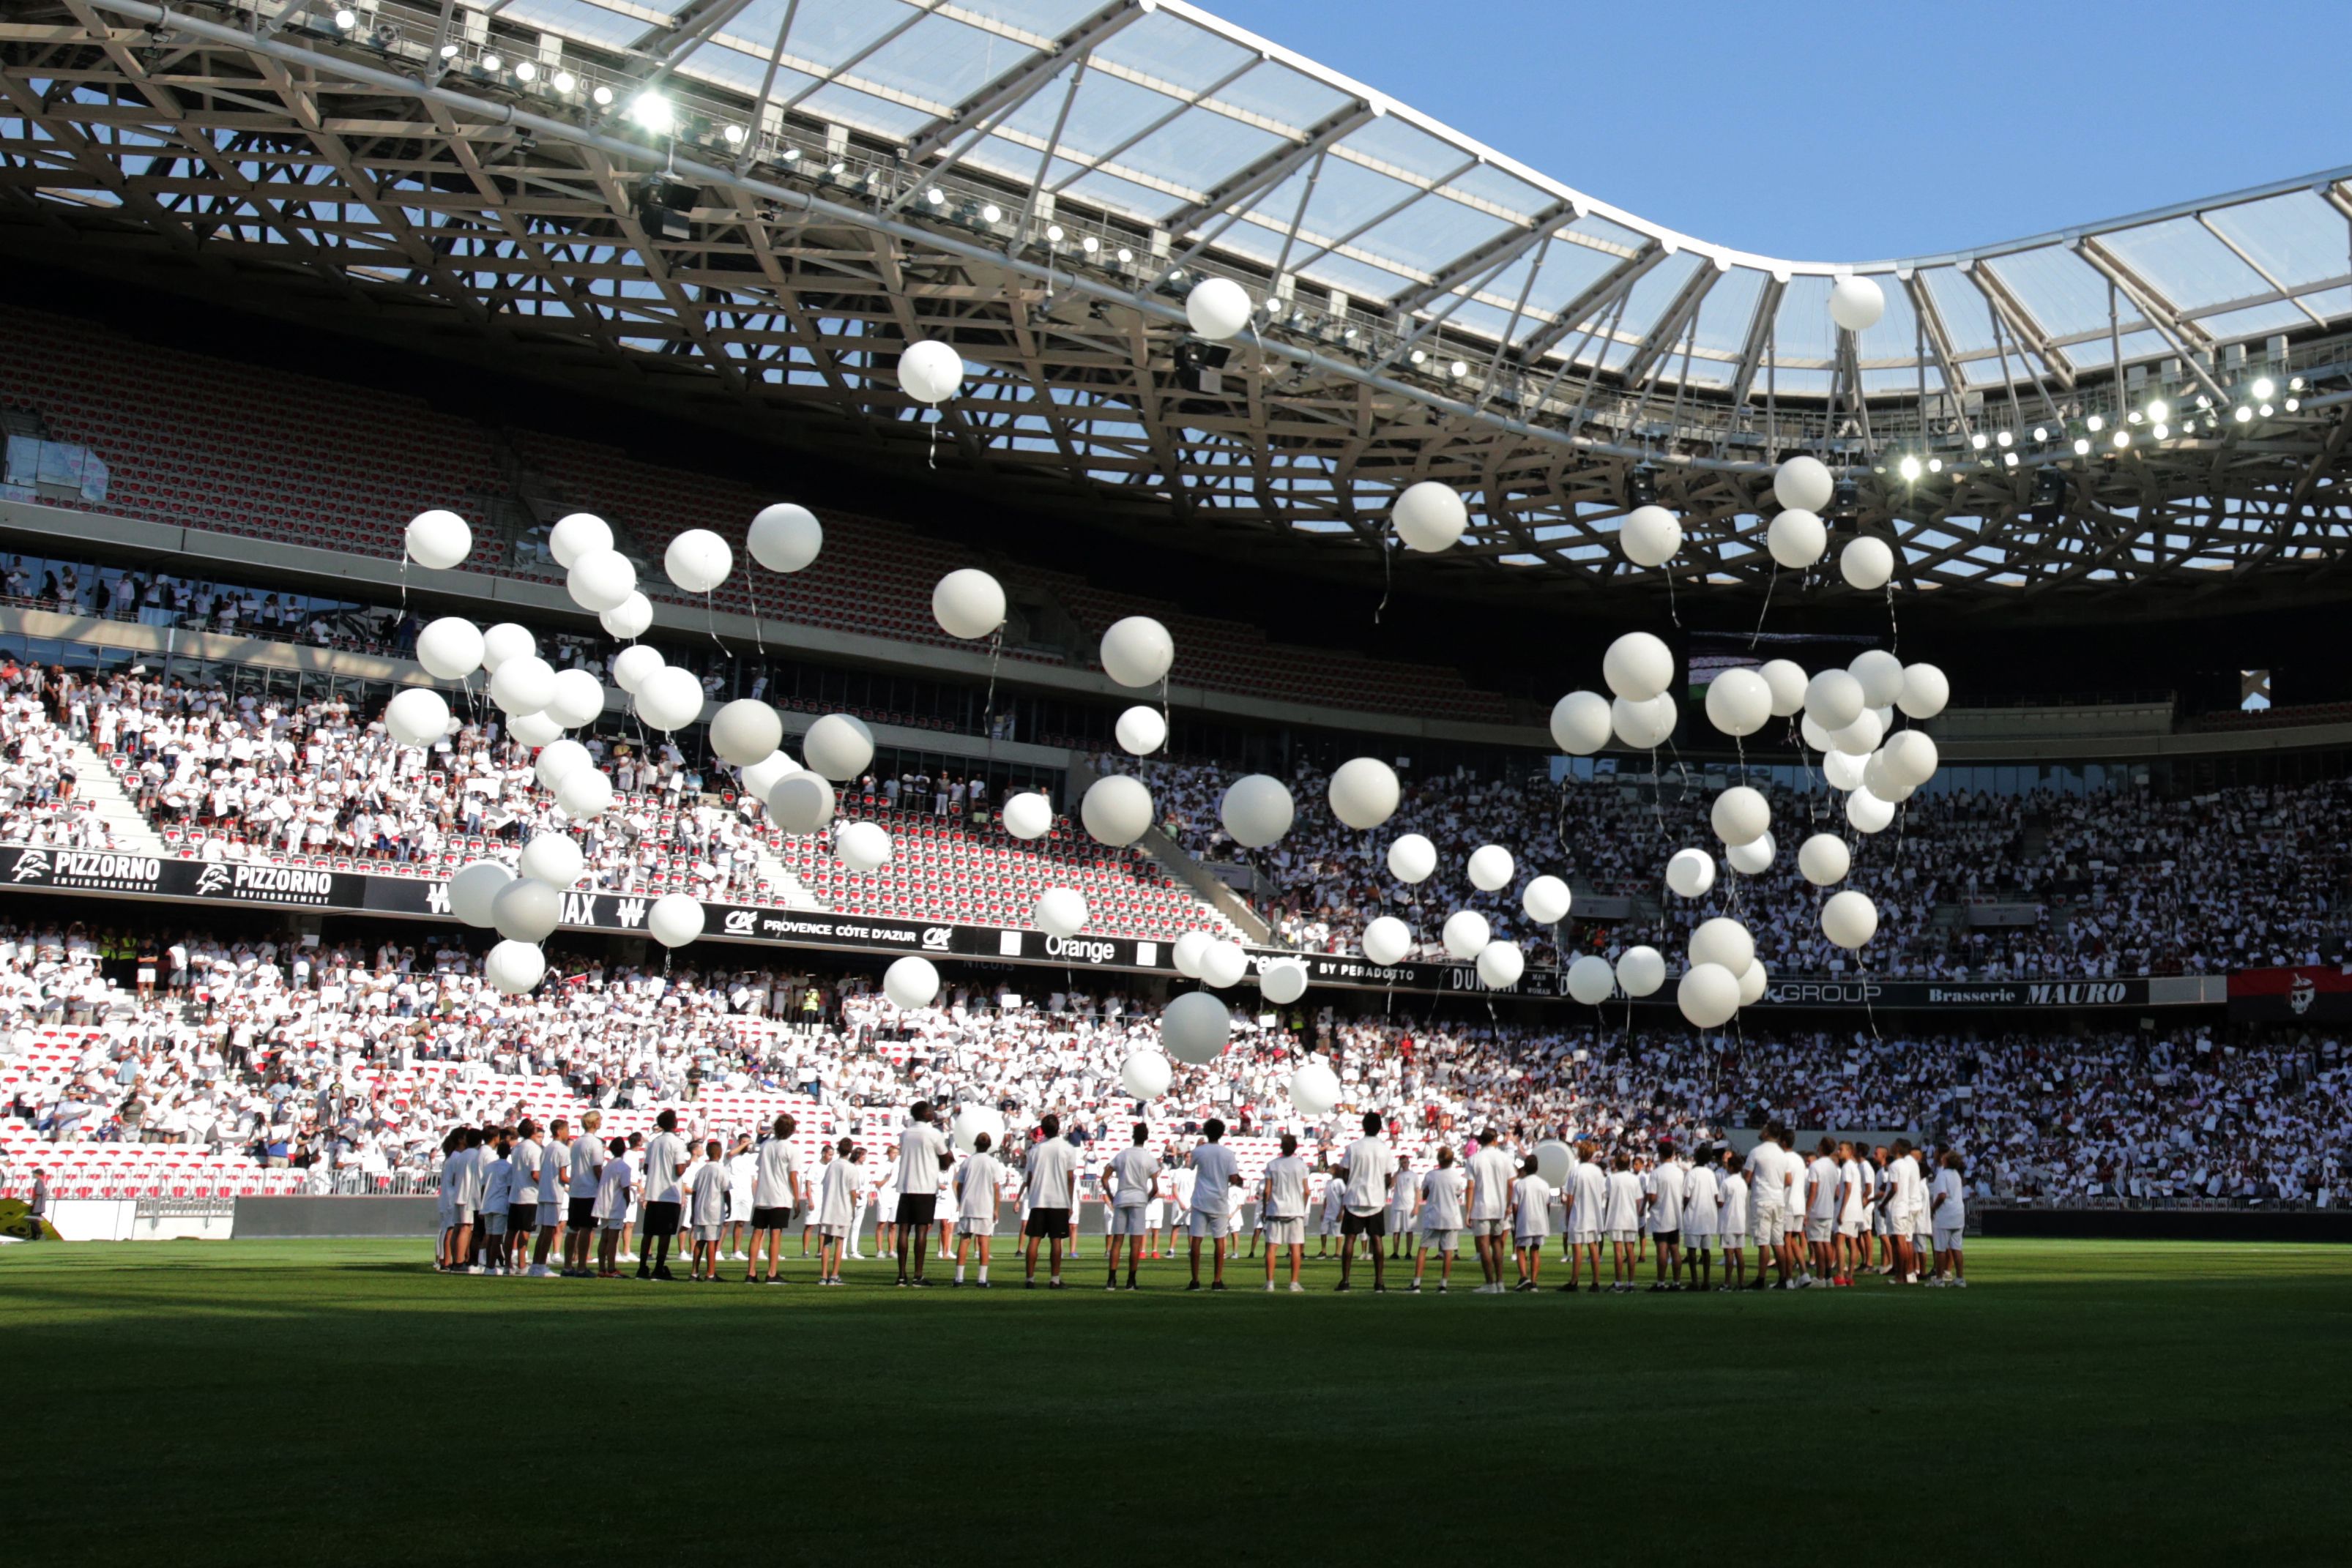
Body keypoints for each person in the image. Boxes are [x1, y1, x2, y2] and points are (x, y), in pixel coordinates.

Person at [1336, 1110, 1396, 1293]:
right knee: (1377, 1239)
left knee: (1350, 1239)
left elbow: (1344, 1174)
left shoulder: (1353, 1147)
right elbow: (1388, 1178)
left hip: (1354, 1198)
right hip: (1376, 1199)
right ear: (1380, 1128)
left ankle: (1345, 1281)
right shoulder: (1384, 1149)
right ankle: (1379, 1282)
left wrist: (1353, 1183)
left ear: (1363, 1126)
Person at [893, 1102, 948, 1288]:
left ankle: (901, 1276)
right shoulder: (934, 1133)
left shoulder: (906, 1133)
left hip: (906, 1185)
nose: (933, 1112)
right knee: (922, 1229)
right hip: (925, 1186)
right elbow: (945, 1158)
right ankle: (918, 1275)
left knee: (904, 1229)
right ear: (924, 1114)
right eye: (930, 1110)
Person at [1021, 1113, 1079, 1289]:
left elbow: (1029, 1177)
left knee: (1034, 1239)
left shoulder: (1035, 1150)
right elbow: (1070, 1178)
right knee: (1056, 1240)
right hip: (1059, 1200)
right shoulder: (1068, 1149)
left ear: (1043, 1130)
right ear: (1058, 1127)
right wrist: (1069, 1202)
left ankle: (1030, 1279)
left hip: (1039, 1199)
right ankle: (1054, 1279)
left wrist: (1032, 1194)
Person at [746, 1113, 804, 1285]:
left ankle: (751, 1272)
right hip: (780, 1197)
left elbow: (760, 1167)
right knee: (775, 1235)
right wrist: (797, 1199)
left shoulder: (766, 1145)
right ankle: (772, 1273)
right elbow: (793, 1176)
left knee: (757, 1233)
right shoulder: (790, 1148)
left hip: (762, 1195)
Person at [1184, 1117, 1240, 1292]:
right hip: (1219, 1201)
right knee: (1220, 1241)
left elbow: (1190, 1166)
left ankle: (1195, 1280)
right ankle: (1217, 1280)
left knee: (1196, 1240)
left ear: (1206, 1132)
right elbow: (1233, 1178)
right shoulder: (1228, 1154)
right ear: (1222, 1133)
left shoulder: (1199, 1151)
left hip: (1201, 1200)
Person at [1103, 1122, 1156, 1291]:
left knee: (1117, 1241)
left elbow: (1105, 1178)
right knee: (1135, 1243)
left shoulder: (1122, 1155)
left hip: (1122, 1198)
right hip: (1139, 1200)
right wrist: (1145, 1199)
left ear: (1133, 1136)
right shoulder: (1149, 1158)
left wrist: (1112, 1197)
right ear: (1146, 1138)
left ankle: (1111, 1280)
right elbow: (1155, 1188)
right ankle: (1131, 1281)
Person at [1464, 1127, 1516, 1295]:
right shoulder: (1505, 1158)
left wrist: (1468, 1211)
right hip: (1499, 1207)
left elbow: (1470, 1187)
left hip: (1481, 1207)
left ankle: (1490, 1283)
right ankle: (1500, 1283)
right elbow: (1511, 1184)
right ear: (1494, 1140)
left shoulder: (1474, 1159)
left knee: (1484, 1245)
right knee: (1497, 1243)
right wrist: (1508, 1205)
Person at [636, 1109, 688, 1282]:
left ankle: (642, 1267)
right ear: (675, 1124)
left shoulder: (653, 1142)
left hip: (653, 1192)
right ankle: (659, 1268)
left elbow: (646, 1168)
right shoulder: (677, 1143)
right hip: (669, 1192)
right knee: (665, 1233)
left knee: (649, 1232)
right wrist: (687, 1164)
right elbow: (679, 1169)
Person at [1408, 1144, 1465, 1294]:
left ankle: (1417, 1283)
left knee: (1423, 1249)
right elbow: (1458, 1194)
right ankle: (1443, 1284)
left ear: (1439, 1160)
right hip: (1451, 1217)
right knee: (1448, 1251)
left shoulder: (1431, 1175)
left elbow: (1425, 1194)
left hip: (1434, 1216)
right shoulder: (1456, 1176)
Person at [1259, 1132, 1309, 1293]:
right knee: (1295, 1247)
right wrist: (1302, 1206)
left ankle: (1270, 1283)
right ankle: (1294, 1283)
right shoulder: (1301, 1165)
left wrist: (1265, 1210)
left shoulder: (1272, 1165)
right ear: (1295, 1148)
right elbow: (1307, 1191)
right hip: (1295, 1210)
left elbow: (1267, 1191)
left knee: (1272, 1247)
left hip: (1276, 1209)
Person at [954, 1132, 1002, 1287]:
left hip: (968, 1205)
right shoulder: (992, 1163)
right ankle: (982, 1279)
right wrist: (996, 1209)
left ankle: (959, 1279)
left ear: (975, 1144)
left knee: (965, 1240)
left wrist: (961, 1200)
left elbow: (959, 1184)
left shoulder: (968, 1162)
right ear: (989, 1146)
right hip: (985, 1206)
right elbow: (996, 1188)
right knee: (984, 1241)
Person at [814, 1137, 862, 1286]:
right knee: (839, 1242)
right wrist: (853, 1208)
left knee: (827, 1242)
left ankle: (823, 1276)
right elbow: (853, 1192)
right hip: (843, 1209)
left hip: (829, 1208)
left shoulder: (832, 1166)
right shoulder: (851, 1168)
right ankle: (834, 1275)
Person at [564, 1110, 606, 1278]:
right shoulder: (594, 1143)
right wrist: (603, 1184)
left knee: (573, 1229)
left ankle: (568, 1266)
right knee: (586, 1229)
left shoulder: (577, 1143)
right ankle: (581, 1266)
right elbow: (597, 1169)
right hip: (589, 1191)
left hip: (576, 1189)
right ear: (595, 1123)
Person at [1744, 1127, 1786, 1291]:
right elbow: (1787, 1178)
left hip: (1762, 1199)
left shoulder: (1756, 1152)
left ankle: (1761, 1279)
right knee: (1778, 1241)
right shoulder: (1782, 1154)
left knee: (1763, 1242)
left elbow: (1746, 1177)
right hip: (1778, 1199)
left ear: (1768, 1133)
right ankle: (1783, 1278)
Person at [1562, 1140, 1605, 1293]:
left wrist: (1568, 1215)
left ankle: (1574, 1281)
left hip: (1579, 1213)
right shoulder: (1597, 1171)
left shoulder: (1576, 1171)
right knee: (1593, 1247)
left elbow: (1570, 1196)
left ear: (1580, 1154)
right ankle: (1596, 1282)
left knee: (1577, 1248)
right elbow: (1601, 1193)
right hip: (1594, 1215)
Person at [532, 1118, 570, 1278]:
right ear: (560, 1131)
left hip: (544, 1192)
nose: (568, 1133)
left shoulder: (546, 1148)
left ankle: (536, 1265)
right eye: (567, 1130)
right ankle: (540, 1266)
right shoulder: (562, 1149)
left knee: (544, 1231)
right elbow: (563, 1176)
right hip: (554, 1193)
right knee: (549, 1231)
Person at [1644, 1139, 1683, 1292]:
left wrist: (1648, 1207)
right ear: (1673, 1154)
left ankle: (1661, 1283)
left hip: (1661, 1214)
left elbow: (1652, 1197)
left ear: (1660, 1155)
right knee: (1675, 1249)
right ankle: (1677, 1282)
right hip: (1675, 1215)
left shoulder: (1656, 1173)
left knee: (1661, 1248)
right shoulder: (1679, 1172)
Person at [595, 1135, 636, 1279]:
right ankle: (611, 1268)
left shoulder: (608, 1165)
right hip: (615, 1205)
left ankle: (602, 1268)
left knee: (604, 1237)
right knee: (613, 1238)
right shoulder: (624, 1167)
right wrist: (628, 1201)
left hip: (603, 1203)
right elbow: (625, 1188)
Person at [1883, 1138, 1922, 1285]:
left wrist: (1883, 1204)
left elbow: (1895, 1188)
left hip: (1904, 1204)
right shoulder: (1910, 1163)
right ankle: (1908, 1272)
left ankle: (1904, 1273)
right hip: (1909, 1204)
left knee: (1903, 1241)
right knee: (1906, 1240)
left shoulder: (1901, 1164)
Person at [688, 1139, 729, 1282]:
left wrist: (693, 1211)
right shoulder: (721, 1170)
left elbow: (694, 1192)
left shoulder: (701, 1171)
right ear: (719, 1153)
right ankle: (711, 1273)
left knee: (699, 1241)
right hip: (714, 1209)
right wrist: (729, 1206)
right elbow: (726, 1190)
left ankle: (694, 1272)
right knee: (712, 1241)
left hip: (700, 1208)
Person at [1508, 1156, 1550, 1291]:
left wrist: (1516, 1219)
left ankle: (1524, 1278)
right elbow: (1547, 1205)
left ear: (1525, 1168)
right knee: (1535, 1250)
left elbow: (1515, 1206)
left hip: (1525, 1219)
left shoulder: (1520, 1184)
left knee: (1521, 1249)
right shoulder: (1544, 1184)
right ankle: (1534, 1282)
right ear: (1537, 1168)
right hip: (1540, 1220)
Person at [1603, 1151, 1643, 1293]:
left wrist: (1606, 1215)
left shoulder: (1611, 1178)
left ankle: (1619, 1283)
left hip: (1616, 1217)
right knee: (1630, 1251)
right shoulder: (1634, 1179)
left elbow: (1607, 1199)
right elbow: (1639, 1201)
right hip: (1630, 1217)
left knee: (1618, 1251)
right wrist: (1637, 1214)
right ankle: (1631, 1283)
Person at [1681, 1146, 1719, 1291]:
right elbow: (1716, 1195)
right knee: (1706, 1250)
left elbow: (1686, 1196)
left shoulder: (1691, 1174)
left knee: (1692, 1250)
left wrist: (1684, 1210)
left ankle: (1695, 1281)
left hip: (1694, 1215)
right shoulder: (1710, 1174)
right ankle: (1706, 1281)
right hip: (1708, 1216)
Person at [1806, 1137, 1842, 1286]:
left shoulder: (1816, 1166)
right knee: (1826, 1242)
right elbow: (1837, 1192)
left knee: (1817, 1243)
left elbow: (1813, 1190)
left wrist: (1807, 1211)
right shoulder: (1833, 1167)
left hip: (1817, 1209)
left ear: (1821, 1148)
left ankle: (1820, 1277)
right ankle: (1828, 1276)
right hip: (1829, 1209)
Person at [1929, 1151, 1968, 1287]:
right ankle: (1960, 1278)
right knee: (1957, 1247)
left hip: (1945, 1214)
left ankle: (1939, 1279)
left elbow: (1942, 1195)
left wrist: (1933, 1208)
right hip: (1958, 1214)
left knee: (1940, 1248)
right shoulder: (1956, 1175)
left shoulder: (1942, 1175)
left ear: (1945, 1161)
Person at [1717, 1148, 1749, 1292]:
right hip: (1740, 1220)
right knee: (1739, 1252)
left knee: (1729, 1253)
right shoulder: (1742, 1182)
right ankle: (1741, 1282)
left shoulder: (1726, 1182)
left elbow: (1721, 1202)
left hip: (1729, 1220)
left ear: (1730, 1167)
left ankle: (1728, 1283)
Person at [725, 1135, 757, 1263]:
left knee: (741, 1222)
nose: (746, 1145)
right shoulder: (731, 1154)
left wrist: (755, 1196)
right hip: (732, 1191)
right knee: (726, 1222)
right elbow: (731, 1153)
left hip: (746, 1193)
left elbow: (753, 1179)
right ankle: (717, 1251)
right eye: (743, 1142)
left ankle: (736, 1251)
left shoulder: (751, 1158)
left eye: (747, 1142)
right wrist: (745, 1144)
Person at [1386, 1150, 1416, 1258]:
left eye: (1406, 1162)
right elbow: (1391, 1186)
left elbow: (1418, 1190)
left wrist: (1416, 1206)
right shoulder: (1397, 1175)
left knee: (1409, 1231)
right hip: (1397, 1205)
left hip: (1409, 1206)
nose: (1404, 1164)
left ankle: (1408, 1252)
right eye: (1402, 1163)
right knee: (1396, 1230)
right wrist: (1398, 1171)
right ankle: (1395, 1252)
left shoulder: (1413, 1175)